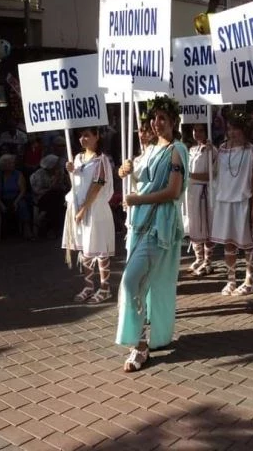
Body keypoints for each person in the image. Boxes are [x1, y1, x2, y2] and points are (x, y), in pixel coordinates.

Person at [115, 96, 189, 372]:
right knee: (142, 282)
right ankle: (147, 338)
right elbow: (135, 176)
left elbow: (172, 191)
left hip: (160, 226)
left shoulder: (177, 150)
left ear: (173, 122)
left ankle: (139, 344)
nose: (157, 123)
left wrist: (137, 200)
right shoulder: (148, 150)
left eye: (162, 118)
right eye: (154, 118)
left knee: (130, 281)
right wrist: (125, 170)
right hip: (139, 224)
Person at [210, 110, 253, 296]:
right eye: (229, 129)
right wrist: (210, 153)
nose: (232, 133)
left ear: (244, 130)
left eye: (236, 129)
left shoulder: (251, 150)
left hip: (243, 200)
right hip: (224, 201)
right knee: (229, 243)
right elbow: (214, 173)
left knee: (248, 244)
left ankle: (249, 280)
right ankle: (231, 280)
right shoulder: (221, 149)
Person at [62, 127, 115, 304]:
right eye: (81, 136)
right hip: (79, 208)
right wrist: (70, 170)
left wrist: (84, 209)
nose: (82, 139)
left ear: (96, 136)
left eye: (87, 135)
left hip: (95, 209)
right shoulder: (77, 158)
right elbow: (77, 184)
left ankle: (105, 288)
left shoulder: (101, 160)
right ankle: (88, 286)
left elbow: (97, 185)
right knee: (85, 249)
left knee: (99, 249)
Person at [186, 123, 217, 276]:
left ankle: (208, 261)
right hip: (192, 192)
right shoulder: (191, 150)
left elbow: (212, 174)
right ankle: (198, 258)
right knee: (195, 225)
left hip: (205, 191)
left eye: (201, 130)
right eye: (195, 130)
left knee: (207, 226)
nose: (197, 133)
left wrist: (190, 176)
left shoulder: (212, 150)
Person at [0, 154, 32, 243]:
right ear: (3, 165)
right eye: (10, 163)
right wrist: (0, 204)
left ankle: (27, 231)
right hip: (0, 199)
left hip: (16, 198)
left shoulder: (18, 174)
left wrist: (16, 202)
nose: (13, 164)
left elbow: (22, 191)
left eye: (13, 163)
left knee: (22, 205)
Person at [30, 154, 68, 236]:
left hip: (55, 198)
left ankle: (44, 215)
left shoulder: (59, 172)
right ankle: (53, 230)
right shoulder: (39, 173)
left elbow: (63, 186)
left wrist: (62, 178)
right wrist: (55, 181)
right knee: (55, 196)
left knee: (57, 198)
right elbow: (38, 190)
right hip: (41, 197)